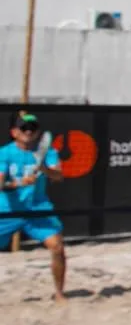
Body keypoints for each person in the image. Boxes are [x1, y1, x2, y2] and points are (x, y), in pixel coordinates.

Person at [0, 110, 68, 302]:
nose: (28, 131)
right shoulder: (5, 153)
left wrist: (44, 169)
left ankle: (59, 293)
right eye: (24, 128)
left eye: (32, 128)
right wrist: (20, 183)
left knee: (57, 247)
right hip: (7, 208)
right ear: (14, 132)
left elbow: (59, 176)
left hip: (38, 208)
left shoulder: (48, 152)